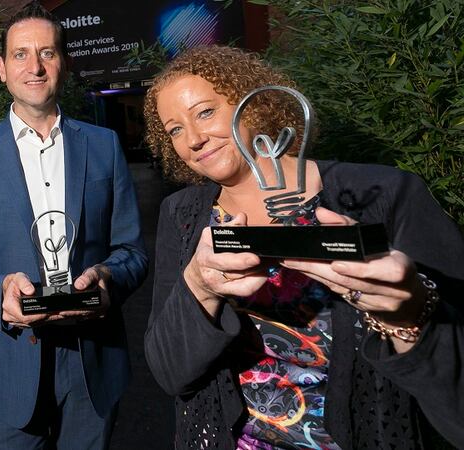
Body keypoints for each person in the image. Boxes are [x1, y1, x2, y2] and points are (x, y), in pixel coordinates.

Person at [143, 46, 464, 449]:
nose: (192, 139)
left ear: (254, 104)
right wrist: (199, 287)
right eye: (174, 129)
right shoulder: (183, 215)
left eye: (205, 112)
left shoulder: (381, 195)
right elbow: (170, 372)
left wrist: (410, 314)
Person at [0, 3, 147, 449]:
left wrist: (107, 280)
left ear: (64, 64)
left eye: (47, 53)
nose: (34, 66)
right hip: (6, 361)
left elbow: (132, 251)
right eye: (20, 54)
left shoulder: (104, 146)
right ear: (1, 68)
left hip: (92, 361)